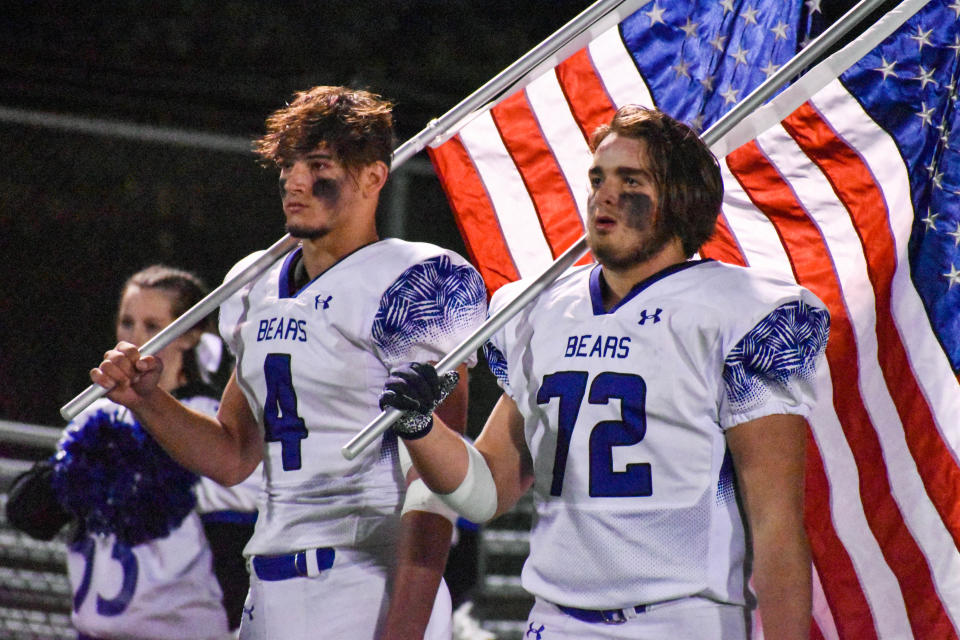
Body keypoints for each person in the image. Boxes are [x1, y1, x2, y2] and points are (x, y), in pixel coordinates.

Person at [379, 106, 831, 639]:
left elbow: (776, 527)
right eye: (597, 178)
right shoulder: (541, 310)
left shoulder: (737, 312)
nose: (603, 194)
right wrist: (421, 429)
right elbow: (488, 492)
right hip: (552, 621)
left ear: (678, 199)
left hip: (678, 623)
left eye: (629, 180)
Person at [88, 85, 488, 639]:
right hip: (269, 584)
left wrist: (406, 628)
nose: (295, 181)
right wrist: (149, 402)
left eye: (318, 165)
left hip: (365, 582)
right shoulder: (255, 282)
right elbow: (232, 455)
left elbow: (439, 486)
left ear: (373, 177)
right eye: (288, 164)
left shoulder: (417, 282)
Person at [6, 264, 259, 639]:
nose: (135, 338)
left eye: (153, 326)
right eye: (127, 323)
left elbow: (232, 554)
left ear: (189, 335)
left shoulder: (210, 424)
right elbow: (28, 515)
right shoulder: (99, 414)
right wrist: (80, 472)